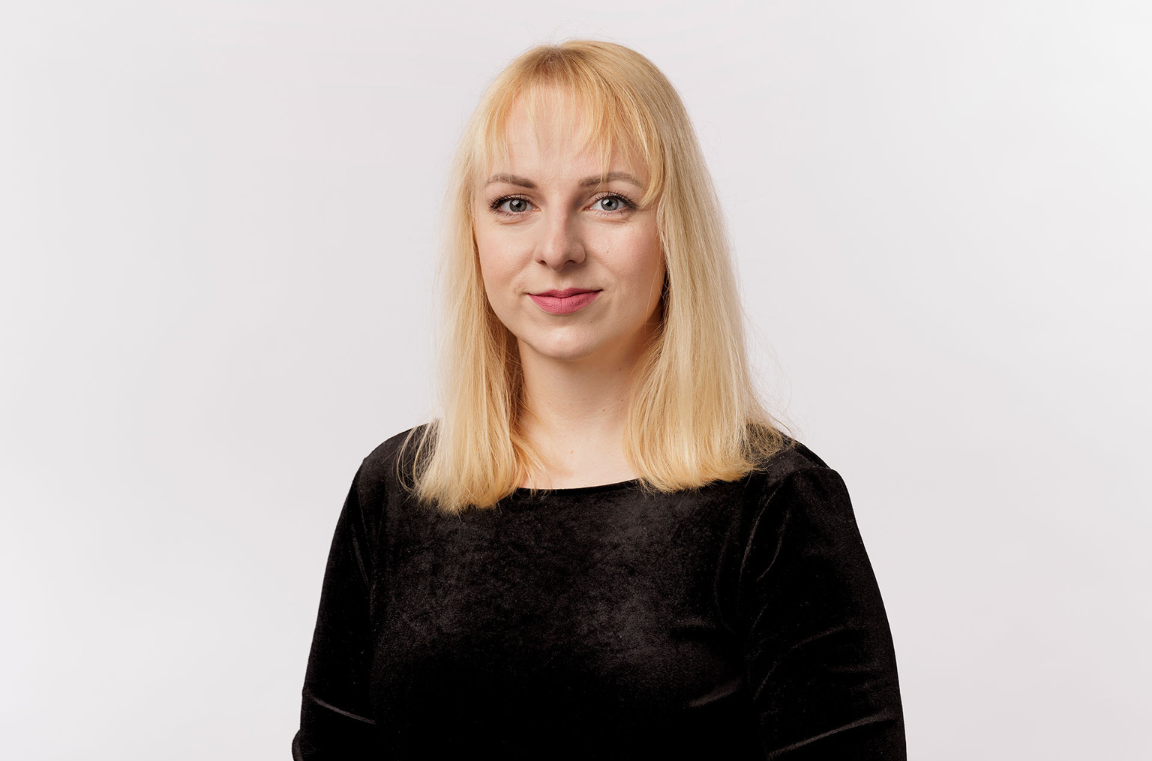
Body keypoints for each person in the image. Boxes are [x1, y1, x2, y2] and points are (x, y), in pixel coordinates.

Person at [293, 40, 905, 760]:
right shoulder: (395, 489)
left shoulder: (775, 507)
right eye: (515, 203)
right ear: (474, 232)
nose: (557, 248)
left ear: (674, 230)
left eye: (609, 201)